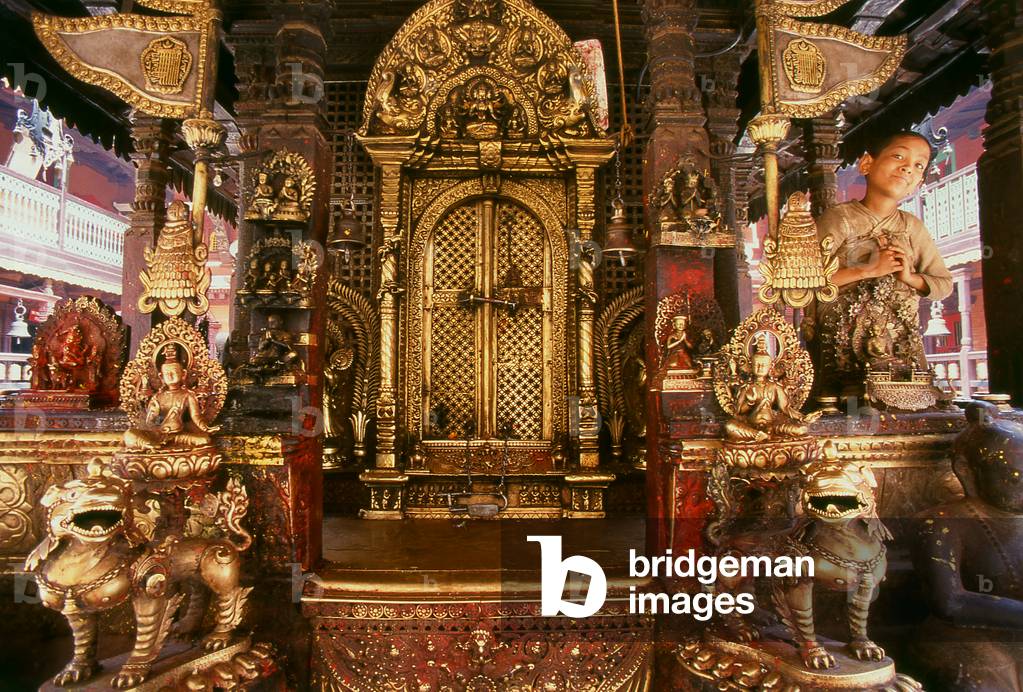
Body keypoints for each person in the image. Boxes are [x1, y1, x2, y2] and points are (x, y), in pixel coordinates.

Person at [813, 132, 953, 389]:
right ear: (867, 163)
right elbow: (806, 285)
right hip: (843, 344)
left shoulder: (912, 227)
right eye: (898, 156)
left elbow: (943, 284)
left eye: (917, 165)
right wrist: (866, 270)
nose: (906, 168)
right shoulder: (840, 219)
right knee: (849, 405)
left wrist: (910, 278)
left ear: (919, 182)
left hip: (901, 346)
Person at [123, 345, 218, 450]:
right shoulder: (157, 397)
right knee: (129, 434)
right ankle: (149, 444)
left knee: (205, 440)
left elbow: (196, 416)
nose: (170, 376)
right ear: (161, 376)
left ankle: (154, 448)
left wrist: (206, 428)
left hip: (179, 435)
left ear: (183, 374)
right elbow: (150, 422)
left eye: (175, 372)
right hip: (158, 435)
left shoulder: (187, 395)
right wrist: (156, 413)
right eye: (167, 373)